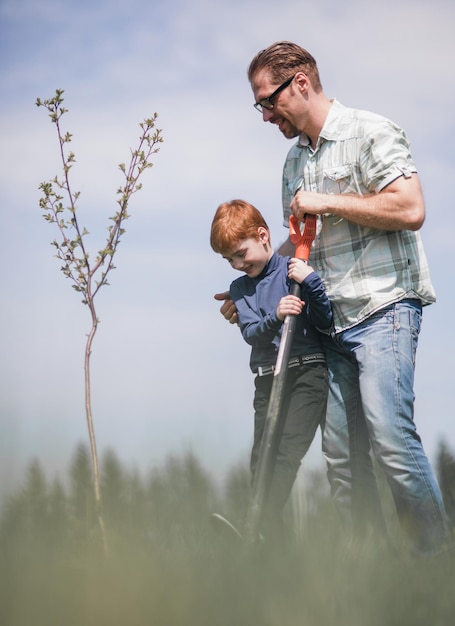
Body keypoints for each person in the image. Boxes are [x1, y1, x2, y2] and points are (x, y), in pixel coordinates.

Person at [215, 42, 449, 555]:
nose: (264, 115)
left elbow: (410, 208)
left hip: (384, 308)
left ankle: (435, 565)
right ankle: (371, 573)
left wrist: (326, 200)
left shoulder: (369, 131)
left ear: (300, 82)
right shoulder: (292, 163)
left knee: (390, 437)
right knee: (343, 459)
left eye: (266, 101)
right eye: (259, 105)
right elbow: (299, 242)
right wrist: (253, 283)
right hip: (330, 324)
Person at [210, 199, 333, 538]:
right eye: (229, 259)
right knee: (260, 461)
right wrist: (276, 315)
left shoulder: (295, 270)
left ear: (263, 236)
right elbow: (252, 334)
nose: (237, 264)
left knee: (284, 455)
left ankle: (257, 529)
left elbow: (325, 321)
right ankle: (271, 547)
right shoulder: (241, 289)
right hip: (268, 379)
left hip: (308, 374)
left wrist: (312, 284)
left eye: (240, 253)